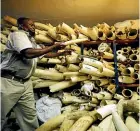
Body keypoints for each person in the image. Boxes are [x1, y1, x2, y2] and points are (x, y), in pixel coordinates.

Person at [1, 17, 71, 131]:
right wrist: (53, 46)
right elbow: (28, 53)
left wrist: (61, 53)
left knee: (29, 116)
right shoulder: (18, 35)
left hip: (25, 83)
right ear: (22, 27)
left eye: (34, 25)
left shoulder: (31, 41)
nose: (34, 27)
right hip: (10, 82)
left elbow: (43, 54)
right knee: (1, 115)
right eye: (30, 25)